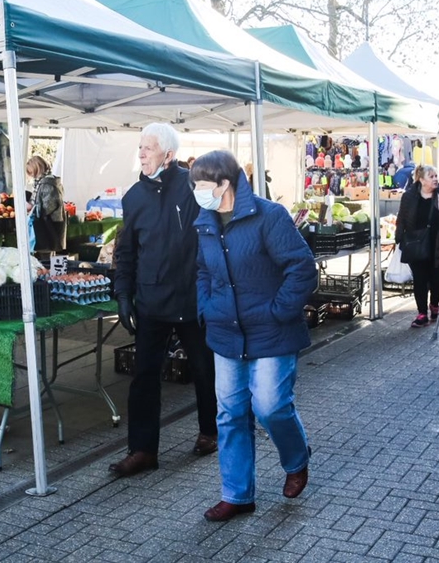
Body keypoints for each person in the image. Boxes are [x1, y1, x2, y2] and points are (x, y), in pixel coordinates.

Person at [191, 150, 317, 522]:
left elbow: (302, 268)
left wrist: (279, 311)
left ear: (224, 183)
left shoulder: (269, 216)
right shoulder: (205, 222)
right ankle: (237, 495)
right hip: (225, 333)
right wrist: (206, 307)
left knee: (270, 405)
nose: (197, 192)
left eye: (202, 185)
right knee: (229, 415)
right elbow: (202, 270)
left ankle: (296, 459)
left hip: (272, 332)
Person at [110, 123, 218, 477]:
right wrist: (123, 295)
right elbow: (125, 253)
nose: (141, 153)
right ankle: (142, 450)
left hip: (191, 299)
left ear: (168, 155)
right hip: (152, 301)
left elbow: (216, 232)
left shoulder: (192, 187)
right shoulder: (133, 198)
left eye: (148, 148)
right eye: (140, 147)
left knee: (204, 368)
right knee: (144, 376)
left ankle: (210, 431)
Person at [395, 165, 439, 328]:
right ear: (421, 180)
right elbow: (402, 217)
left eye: (436, 175)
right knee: (420, 280)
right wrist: (399, 238)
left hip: (438, 243)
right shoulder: (409, 196)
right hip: (416, 243)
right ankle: (422, 313)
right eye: (431, 176)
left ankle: (434, 304)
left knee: (437, 280)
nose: (435, 179)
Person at [26, 155, 66, 253]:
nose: (31, 175)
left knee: (46, 255)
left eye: (31, 172)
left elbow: (49, 206)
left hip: (49, 225)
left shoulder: (48, 184)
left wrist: (33, 208)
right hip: (49, 223)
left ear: (36, 169)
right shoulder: (45, 182)